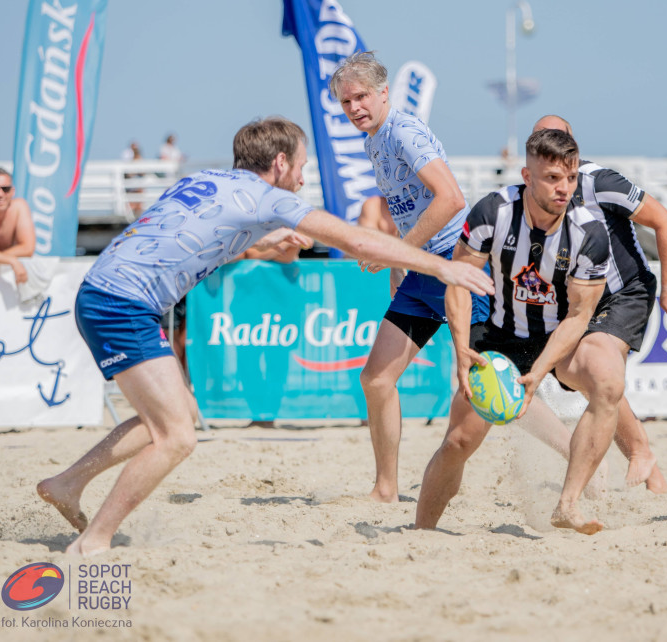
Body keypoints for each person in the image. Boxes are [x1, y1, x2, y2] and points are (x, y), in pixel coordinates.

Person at [36, 116, 494, 555]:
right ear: (278, 163)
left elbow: (199, 241)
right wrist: (441, 265)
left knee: (178, 413)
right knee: (177, 436)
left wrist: (264, 247)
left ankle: (68, 483)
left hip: (99, 291)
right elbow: (357, 242)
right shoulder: (269, 199)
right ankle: (94, 540)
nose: (302, 176)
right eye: (300, 166)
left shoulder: (205, 181)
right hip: (124, 304)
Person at [415, 128, 616, 534]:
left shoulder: (589, 231)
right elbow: (459, 282)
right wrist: (459, 350)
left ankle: (570, 503)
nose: (564, 188)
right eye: (553, 178)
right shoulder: (493, 211)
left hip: (559, 338)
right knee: (459, 442)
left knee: (608, 382)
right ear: (527, 176)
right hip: (501, 337)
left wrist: (539, 372)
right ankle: (421, 531)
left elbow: (579, 315)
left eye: (571, 178)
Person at [330, 51, 489, 503]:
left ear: (384, 93)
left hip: (458, 266)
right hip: (420, 272)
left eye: (362, 96)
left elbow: (451, 199)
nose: (355, 107)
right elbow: (402, 211)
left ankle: (585, 459)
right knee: (376, 379)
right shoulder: (373, 141)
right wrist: (398, 266)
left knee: (487, 387)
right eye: (346, 102)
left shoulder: (402, 129)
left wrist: (400, 251)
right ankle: (386, 489)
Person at [531, 114, 667, 492]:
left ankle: (635, 454)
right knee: (589, 379)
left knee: (599, 374)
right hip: (580, 301)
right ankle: (652, 477)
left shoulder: (599, 181)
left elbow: (664, 221)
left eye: (559, 140)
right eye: (543, 140)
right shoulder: (534, 193)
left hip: (626, 292)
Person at [0, 167, 35, 284]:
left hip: (13, 281)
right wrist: (10, 260)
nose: (0, 194)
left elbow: (27, 248)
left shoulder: (19, 207)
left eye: (5, 189)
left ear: (12, 191)